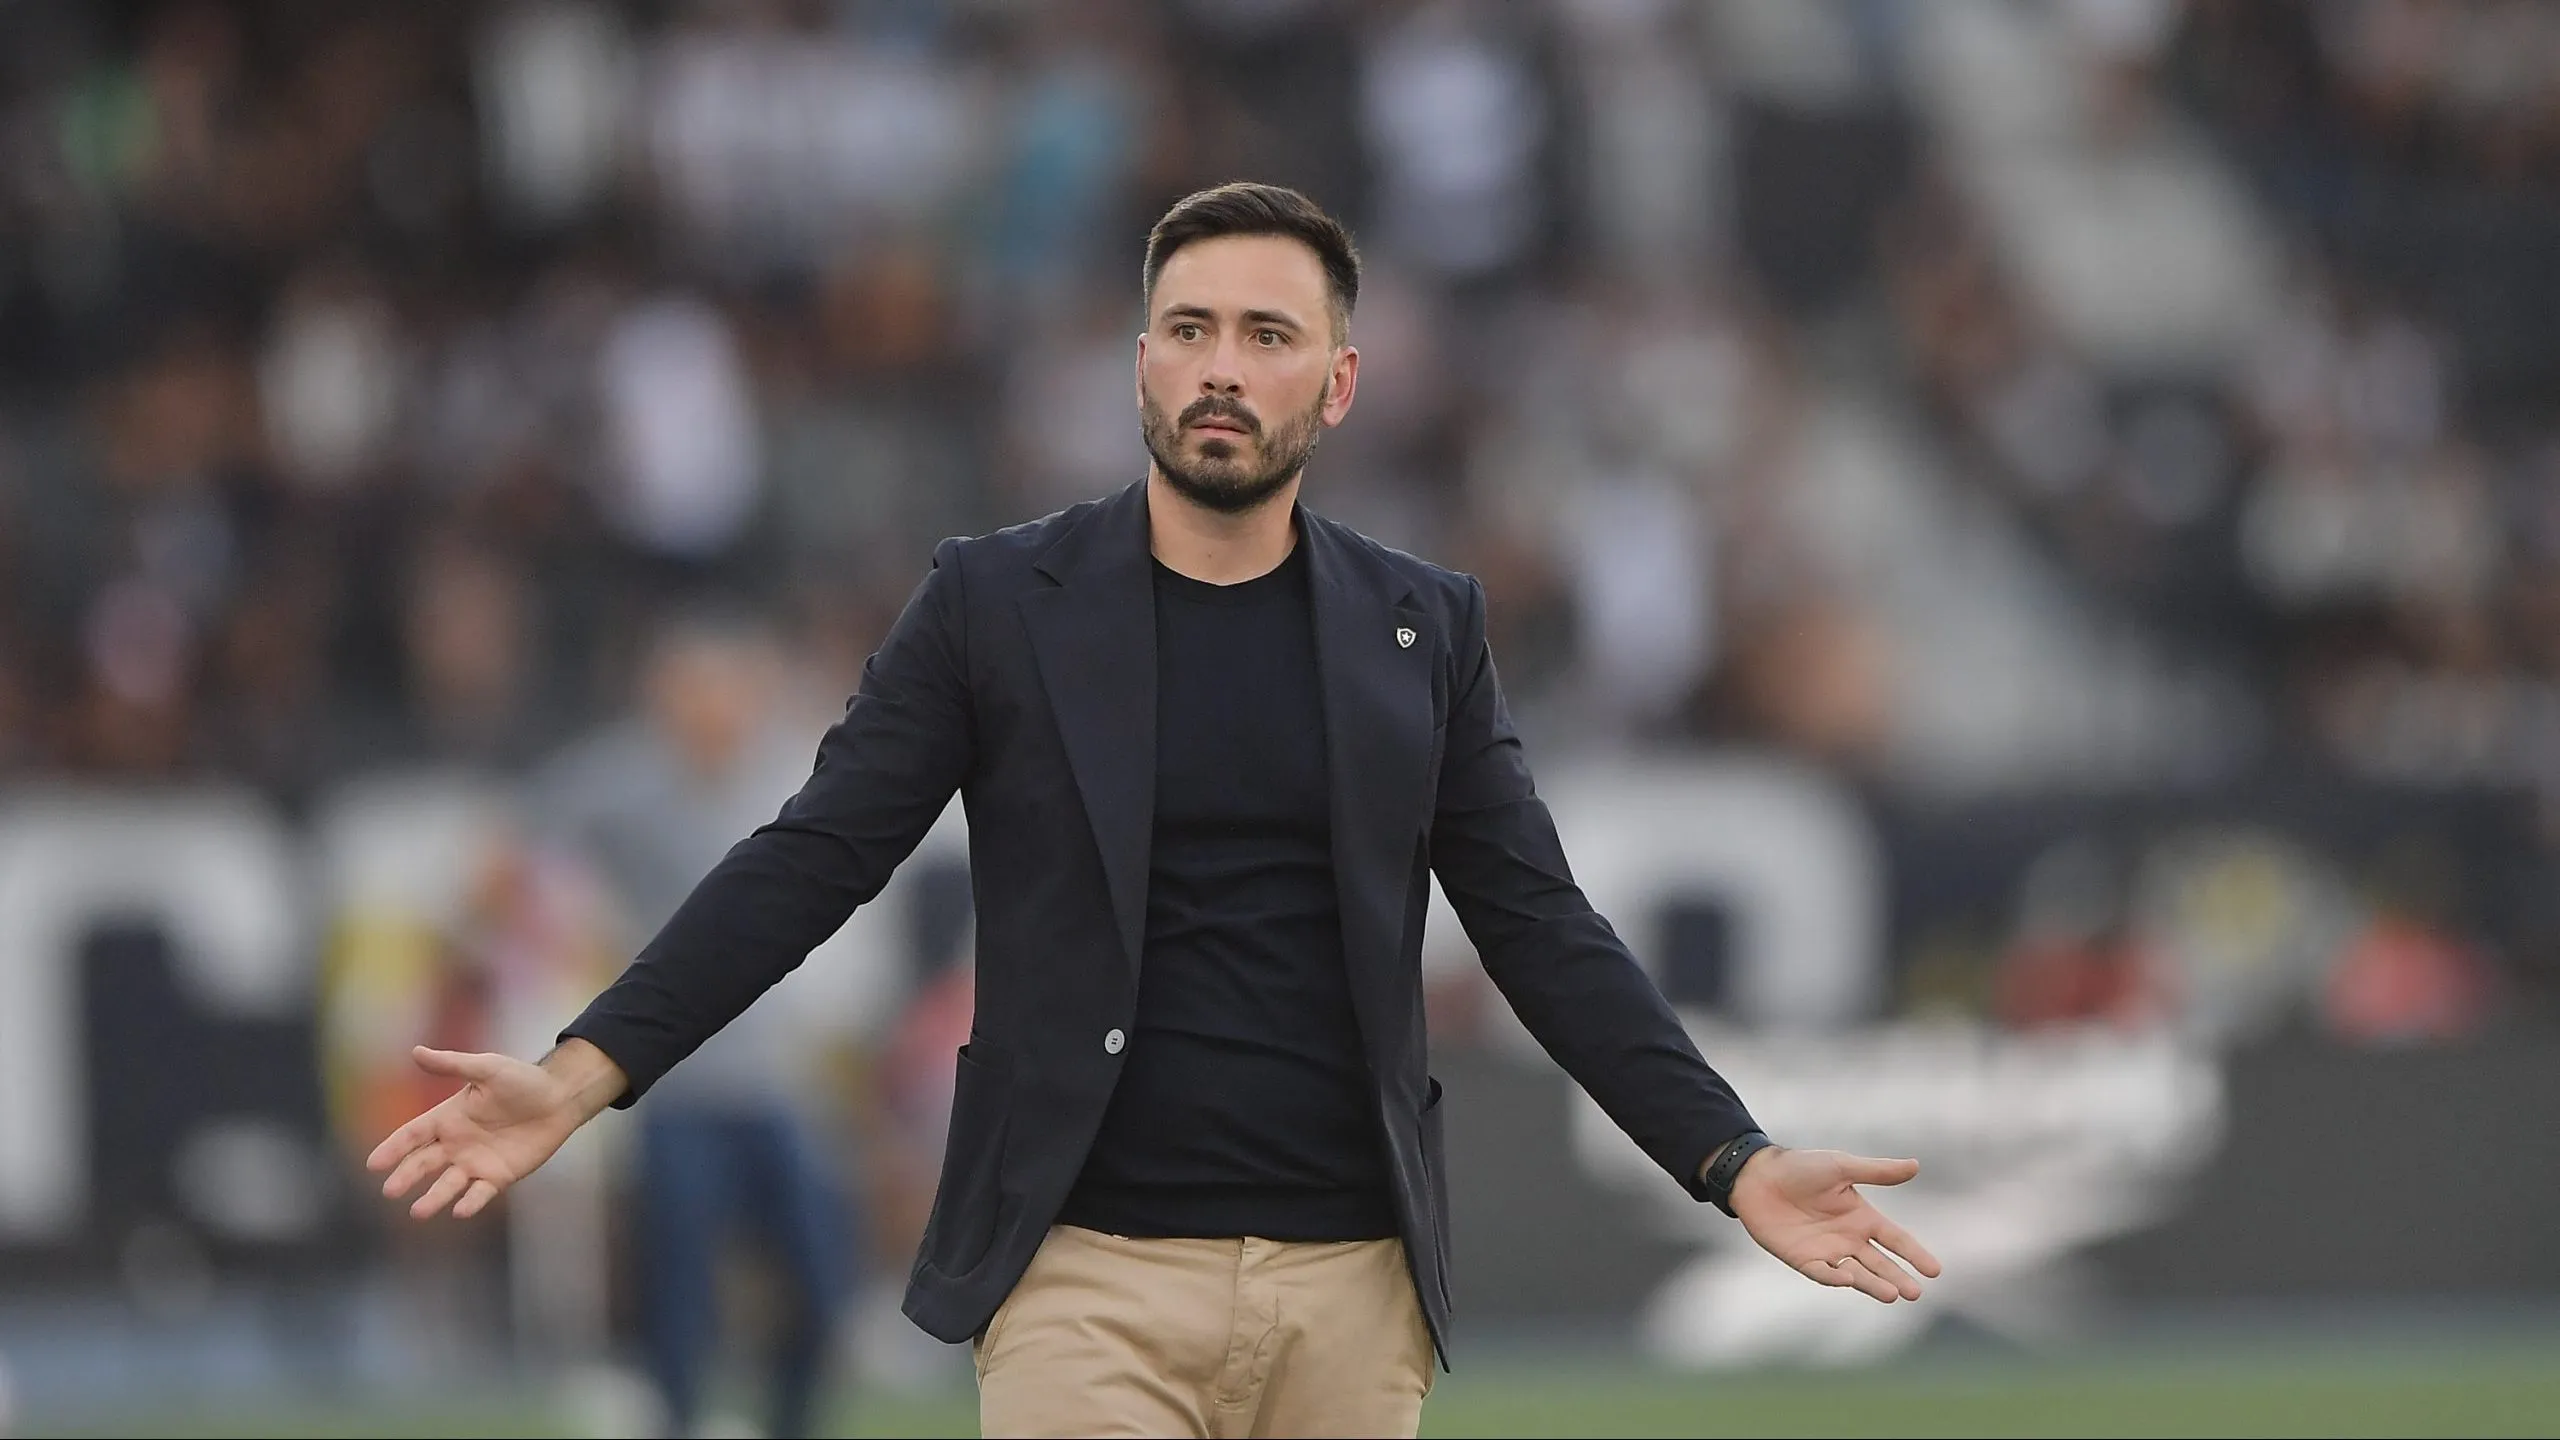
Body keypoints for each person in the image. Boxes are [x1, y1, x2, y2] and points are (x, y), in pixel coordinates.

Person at [367, 182, 1941, 1440]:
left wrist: (1730, 1158)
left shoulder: (1423, 627)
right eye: (1186, 329)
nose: (1219, 368)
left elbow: (1538, 926)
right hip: (1082, 1284)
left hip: (1352, 1292)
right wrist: (586, 1073)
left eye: (1266, 335)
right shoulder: (997, 604)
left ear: (1336, 384)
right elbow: (817, 856)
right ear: (1137, 365)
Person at [527, 606, 860, 1438]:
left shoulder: (785, 775)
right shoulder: (620, 784)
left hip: (772, 1078)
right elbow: (516, 852)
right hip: (674, 1082)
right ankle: (676, 1420)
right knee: (680, 1294)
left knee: (820, 1276)